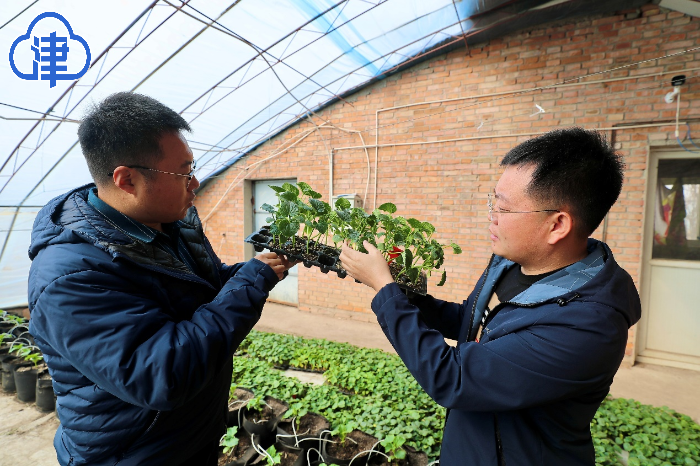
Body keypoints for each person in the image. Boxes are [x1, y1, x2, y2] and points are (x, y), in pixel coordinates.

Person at [339, 127, 641, 466]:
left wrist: (385, 290)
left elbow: (453, 378)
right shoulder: (510, 261)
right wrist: (404, 293)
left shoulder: (589, 325)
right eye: (492, 201)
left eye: (504, 209)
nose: (491, 217)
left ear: (557, 225)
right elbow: (473, 321)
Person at [27, 92, 295, 466]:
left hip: (189, 439)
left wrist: (258, 270)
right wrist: (252, 282)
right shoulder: (71, 276)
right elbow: (164, 373)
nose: (195, 182)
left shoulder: (167, 225)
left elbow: (204, 288)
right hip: (136, 454)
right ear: (127, 180)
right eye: (183, 172)